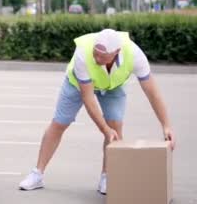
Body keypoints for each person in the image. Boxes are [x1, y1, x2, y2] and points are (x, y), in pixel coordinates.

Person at [18, 29, 176, 194]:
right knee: (59, 123)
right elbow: (88, 98)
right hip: (76, 84)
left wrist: (166, 125)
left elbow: (152, 92)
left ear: (116, 52)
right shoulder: (83, 53)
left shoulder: (135, 55)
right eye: (95, 53)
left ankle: (107, 176)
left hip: (113, 86)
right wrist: (104, 129)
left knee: (115, 127)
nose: (96, 58)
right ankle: (37, 174)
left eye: (102, 56)